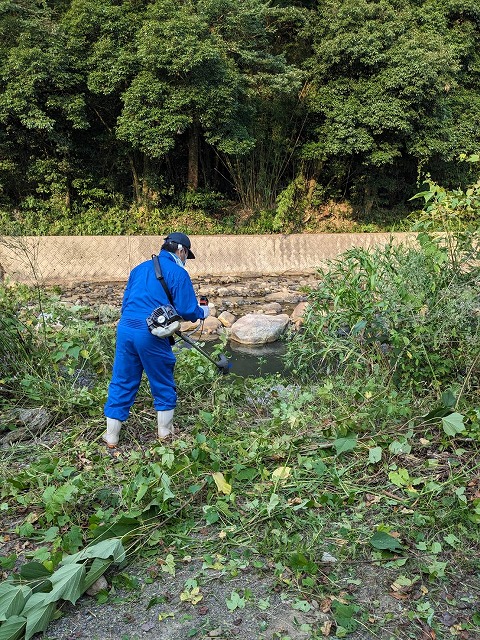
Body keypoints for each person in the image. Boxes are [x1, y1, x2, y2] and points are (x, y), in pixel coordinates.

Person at [102, 232, 209, 448]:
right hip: (151, 332)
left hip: (125, 328)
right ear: (181, 251)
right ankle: (165, 434)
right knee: (162, 381)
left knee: (122, 380)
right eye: (186, 255)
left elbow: (126, 303)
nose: (185, 260)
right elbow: (187, 310)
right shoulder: (178, 272)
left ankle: (111, 437)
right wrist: (202, 312)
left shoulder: (138, 269)